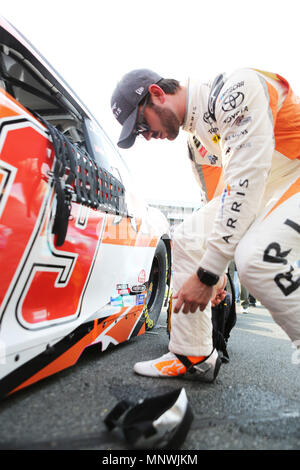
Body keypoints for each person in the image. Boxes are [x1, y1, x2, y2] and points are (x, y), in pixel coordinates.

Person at [111, 67, 300, 378]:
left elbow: (245, 183)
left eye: (142, 124)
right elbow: (221, 202)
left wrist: (208, 273)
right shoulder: (198, 137)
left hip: (286, 178)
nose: (146, 136)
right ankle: (192, 353)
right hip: (272, 188)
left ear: (158, 94)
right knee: (186, 237)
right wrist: (218, 268)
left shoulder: (234, 91)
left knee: (256, 258)